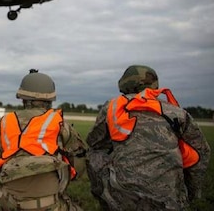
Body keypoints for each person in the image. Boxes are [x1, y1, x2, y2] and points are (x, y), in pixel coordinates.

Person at [86, 65, 211, 210]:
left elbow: (94, 143)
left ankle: (108, 199)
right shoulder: (176, 112)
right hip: (170, 201)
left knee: (93, 154)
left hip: (124, 200)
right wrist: (189, 193)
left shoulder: (112, 108)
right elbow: (201, 152)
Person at [0, 69, 87, 211]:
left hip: (9, 201)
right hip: (49, 203)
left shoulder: (4, 123)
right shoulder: (60, 124)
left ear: (22, 97)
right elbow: (78, 166)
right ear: (50, 99)